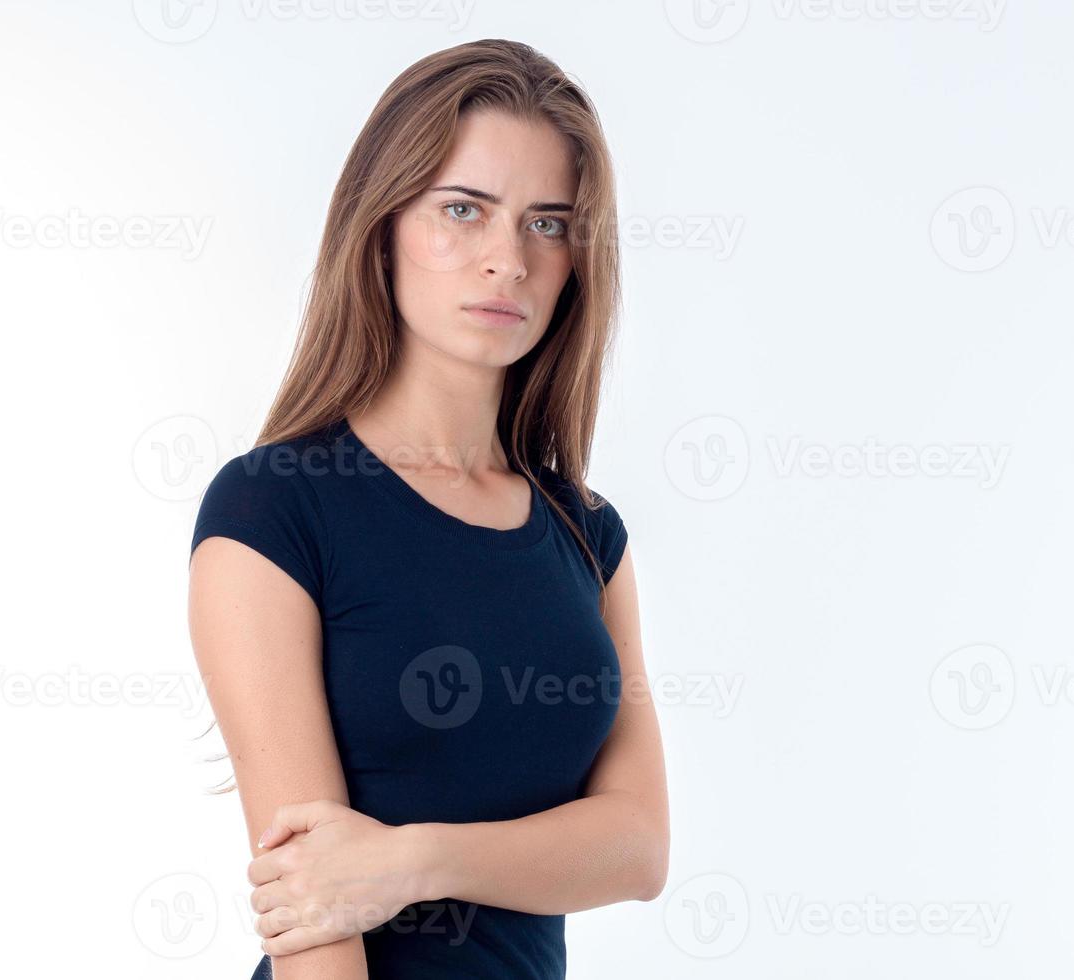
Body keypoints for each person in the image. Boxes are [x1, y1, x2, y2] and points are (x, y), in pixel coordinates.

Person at [187, 38, 670, 980]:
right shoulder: (272, 511)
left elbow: (640, 848)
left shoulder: (587, 534)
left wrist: (410, 860)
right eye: (463, 210)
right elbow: (313, 917)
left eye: (547, 224)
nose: (508, 261)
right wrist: (369, 878)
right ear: (383, 226)